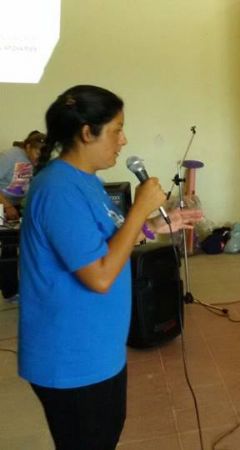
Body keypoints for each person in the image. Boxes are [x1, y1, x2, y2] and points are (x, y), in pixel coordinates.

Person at [18, 85, 202, 449]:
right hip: (70, 359)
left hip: (97, 350)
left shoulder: (87, 182)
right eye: (117, 129)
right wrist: (138, 210)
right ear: (87, 132)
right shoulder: (58, 190)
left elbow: (107, 243)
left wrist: (153, 226)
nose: (124, 139)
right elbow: (100, 276)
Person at [0, 130, 45, 301]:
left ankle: (21, 289)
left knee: (22, 246)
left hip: (16, 206)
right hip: (4, 205)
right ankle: (10, 291)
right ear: (28, 146)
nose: (38, 157)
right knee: (8, 247)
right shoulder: (11, 156)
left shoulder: (37, 163)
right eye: (36, 152)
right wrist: (7, 205)